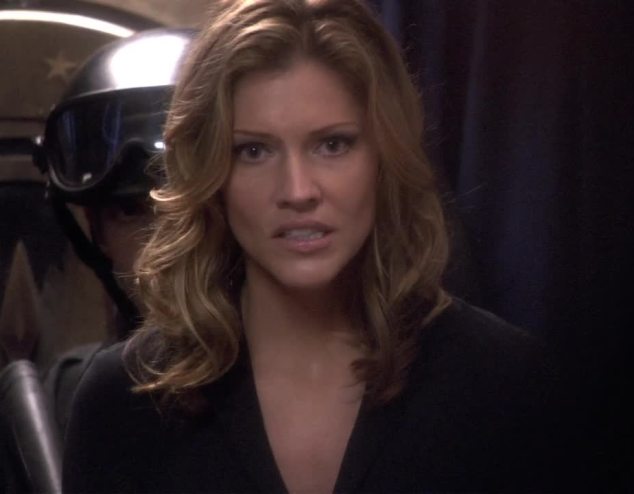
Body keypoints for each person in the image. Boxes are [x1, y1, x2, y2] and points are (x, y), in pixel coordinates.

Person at [63, 1, 567, 492]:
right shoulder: (124, 398)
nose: (298, 191)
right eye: (254, 151)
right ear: (211, 174)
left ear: (384, 158)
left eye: (333, 144)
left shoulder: (502, 382)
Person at [40, 28, 194, 435]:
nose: (164, 246)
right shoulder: (59, 405)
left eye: (187, 211)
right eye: (130, 212)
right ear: (97, 233)